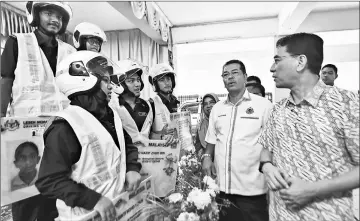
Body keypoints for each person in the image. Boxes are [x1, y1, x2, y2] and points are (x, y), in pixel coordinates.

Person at [258, 33, 359, 221]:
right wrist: (267, 167)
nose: (272, 68)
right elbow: (265, 152)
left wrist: (313, 190)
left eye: (277, 60)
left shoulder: (347, 104)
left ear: (300, 62)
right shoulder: (277, 110)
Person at [35, 51, 142, 221]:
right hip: (83, 216)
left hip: (116, 210)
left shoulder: (111, 115)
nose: (111, 86)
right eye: (105, 80)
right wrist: (93, 200)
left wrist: (132, 167)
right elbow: (49, 180)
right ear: (83, 80)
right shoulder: (65, 126)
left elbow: (126, 145)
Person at [202, 59, 273, 221]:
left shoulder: (264, 106)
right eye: (226, 75)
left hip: (252, 190)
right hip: (223, 189)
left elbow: (271, 144)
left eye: (235, 73)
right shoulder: (217, 109)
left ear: (245, 77)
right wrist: (207, 157)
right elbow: (212, 139)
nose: (230, 78)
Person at [1, 1, 76, 117]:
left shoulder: (70, 51)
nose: (55, 20)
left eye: (59, 17)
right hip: (24, 121)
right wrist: (1, 115)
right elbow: (6, 80)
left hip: (62, 121)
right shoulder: (17, 42)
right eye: (49, 14)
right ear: (36, 15)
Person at [148, 63, 180, 140]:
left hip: (178, 149)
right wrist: (161, 134)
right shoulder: (150, 104)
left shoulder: (177, 103)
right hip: (161, 151)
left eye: (168, 79)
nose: (167, 83)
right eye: (162, 80)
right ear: (155, 84)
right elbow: (145, 134)